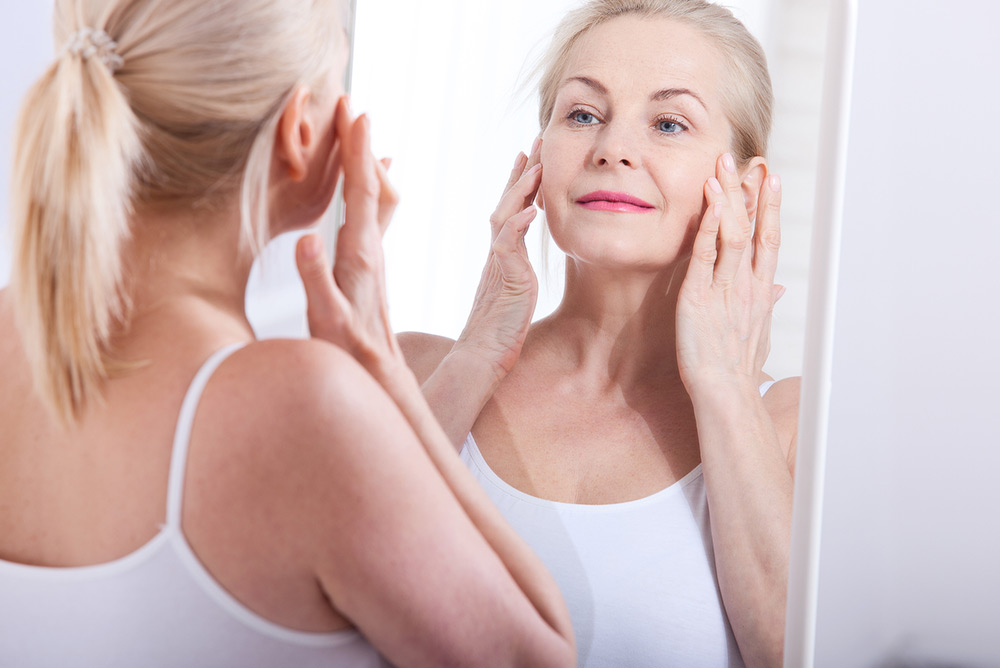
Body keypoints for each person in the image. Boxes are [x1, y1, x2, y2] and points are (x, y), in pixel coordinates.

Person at [0, 1, 577, 666]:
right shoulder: (299, 404)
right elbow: (543, 655)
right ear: (299, 131)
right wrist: (380, 366)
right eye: (340, 77)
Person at [299, 1, 798, 666]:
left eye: (669, 122)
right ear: (538, 155)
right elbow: (315, 619)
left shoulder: (794, 428)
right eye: (583, 114)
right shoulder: (415, 370)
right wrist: (475, 359)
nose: (612, 149)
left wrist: (727, 389)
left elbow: (797, 652)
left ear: (746, 186)